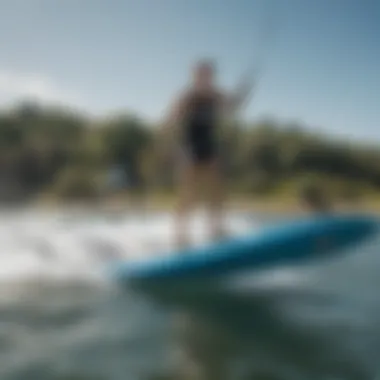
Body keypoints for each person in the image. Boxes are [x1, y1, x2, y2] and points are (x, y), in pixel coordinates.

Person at [164, 59, 253, 247]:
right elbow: (172, 118)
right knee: (189, 193)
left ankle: (216, 231)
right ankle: (180, 236)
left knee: (217, 190)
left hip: (210, 146)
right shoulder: (187, 96)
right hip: (190, 147)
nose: (205, 78)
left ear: (212, 76)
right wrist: (174, 121)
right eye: (201, 74)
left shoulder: (216, 95)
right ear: (195, 76)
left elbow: (232, 108)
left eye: (208, 74)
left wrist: (244, 92)